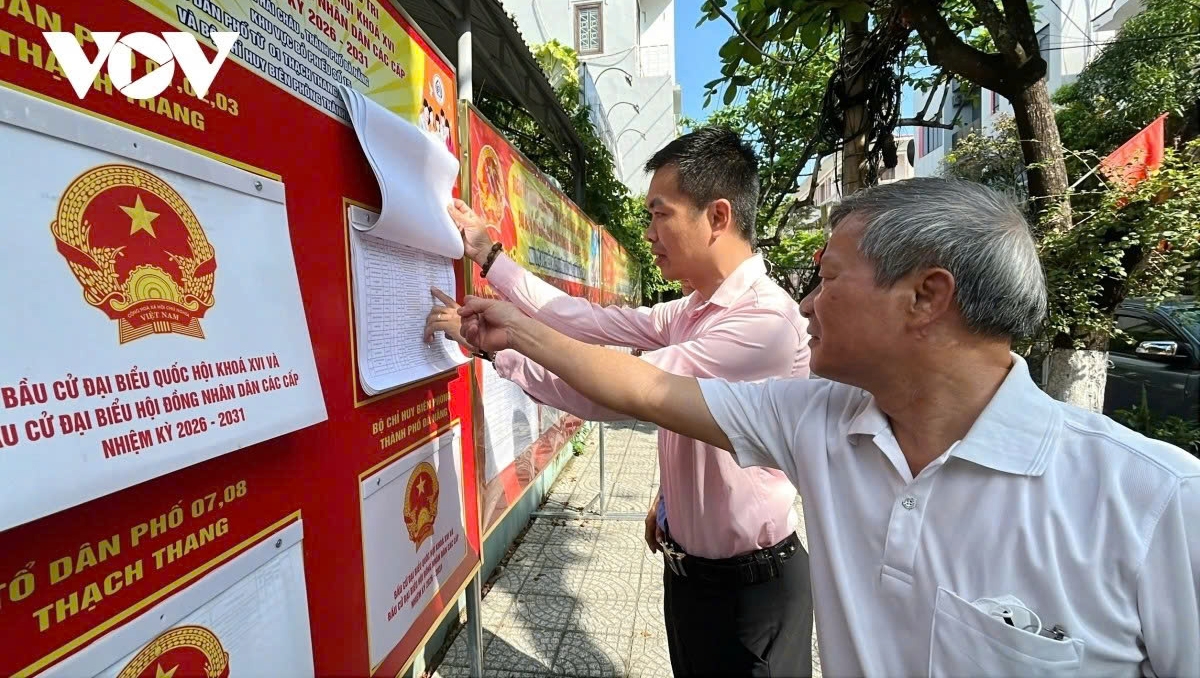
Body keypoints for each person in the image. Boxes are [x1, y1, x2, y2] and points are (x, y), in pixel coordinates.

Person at [455, 177, 1200, 677]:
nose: (807, 303)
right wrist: (518, 332)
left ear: (925, 297)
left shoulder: (1156, 504)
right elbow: (650, 388)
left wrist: (518, 329)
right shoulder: (820, 420)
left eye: (831, 277)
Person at [428, 127, 815, 677]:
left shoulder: (764, 322)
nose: (650, 232)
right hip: (694, 571)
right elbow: (588, 320)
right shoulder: (694, 310)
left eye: (661, 214)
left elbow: (631, 390)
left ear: (719, 216)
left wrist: (509, 344)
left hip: (750, 590)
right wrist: (490, 255)